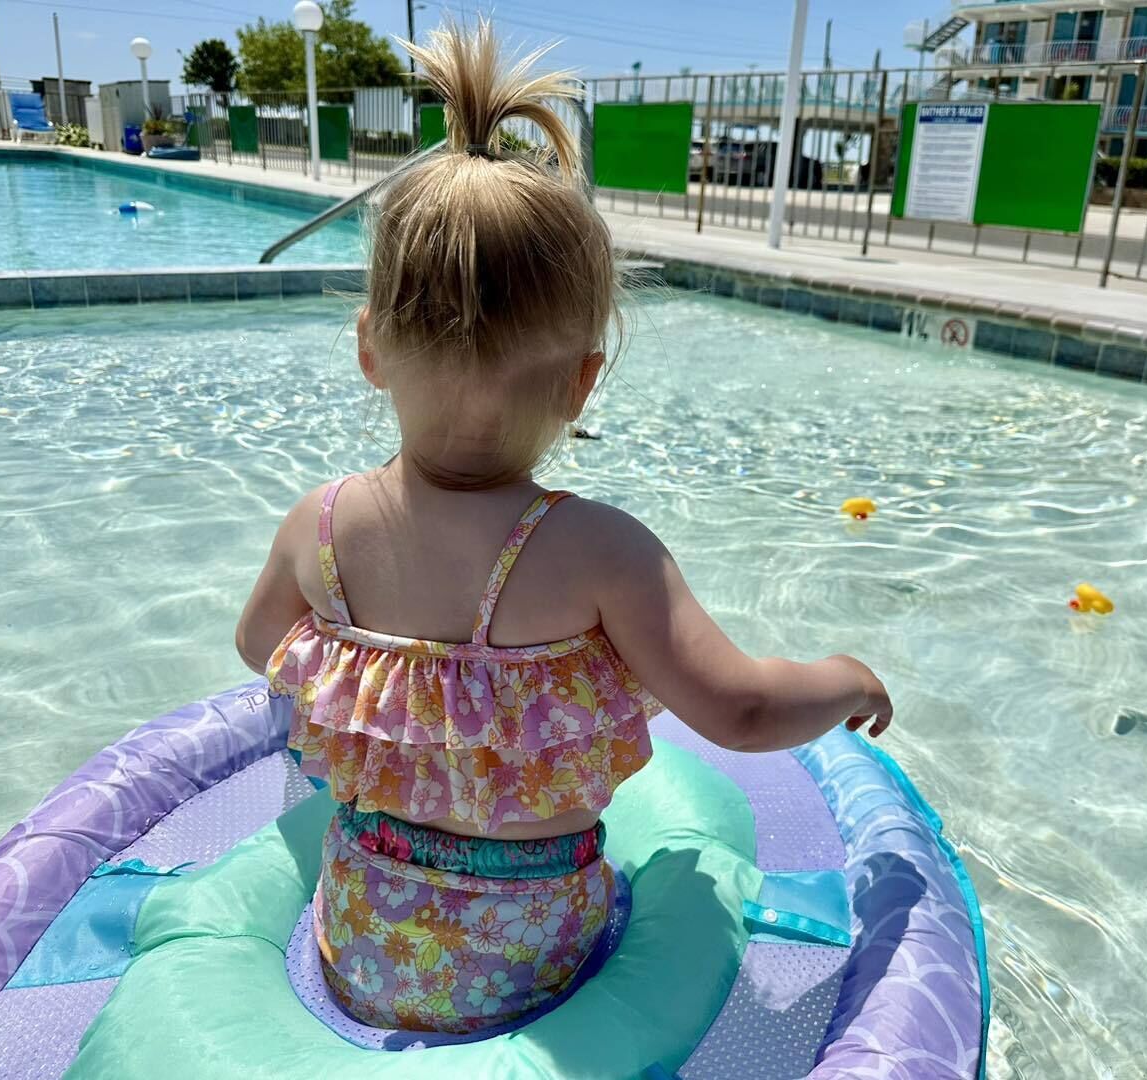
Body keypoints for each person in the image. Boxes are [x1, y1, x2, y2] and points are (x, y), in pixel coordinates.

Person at [234, 18, 892, 1036]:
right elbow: (746, 714)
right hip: (530, 963)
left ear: (370, 347)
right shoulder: (598, 553)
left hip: (361, 940)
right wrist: (846, 674)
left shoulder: (315, 526)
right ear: (586, 380)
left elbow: (258, 646)